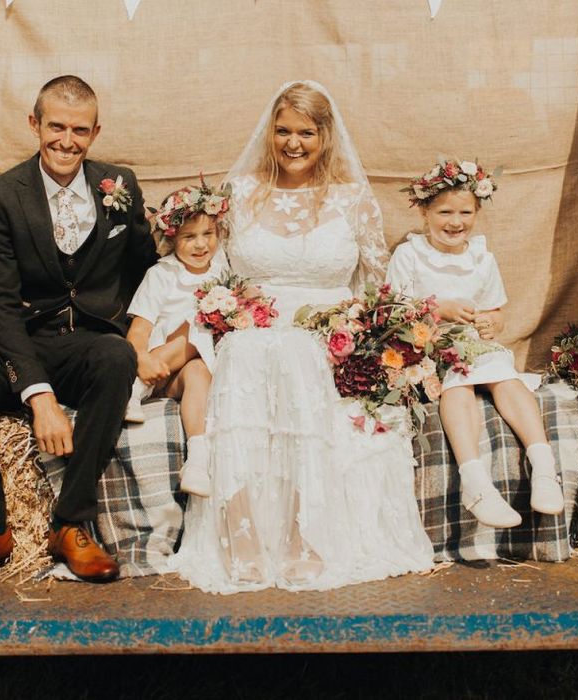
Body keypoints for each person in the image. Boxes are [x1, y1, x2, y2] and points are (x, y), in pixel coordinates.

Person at [169, 80, 434, 593]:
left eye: (306, 132)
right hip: (251, 328)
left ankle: (299, 533)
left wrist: (364, 340)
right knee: (251, 352)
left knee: (293, 353)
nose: (293, 143)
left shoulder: (351, 198)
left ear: (325, 136)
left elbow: (375, 283)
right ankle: (241, 534)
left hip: (327, 332)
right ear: (270, 133)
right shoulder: (241, 194)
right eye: (283, 131)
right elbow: (213, 272)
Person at [0, 75, 157, 592]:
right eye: (56, 127)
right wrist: (38, 394)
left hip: (89, 347)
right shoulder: (1, 195)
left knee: (116, 356)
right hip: (20, 344)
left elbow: (147, 269)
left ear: (95, 133)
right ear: (35, 124)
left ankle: (71, 524)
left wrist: (157, 330)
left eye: (79, 130)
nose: (66, 141)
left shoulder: (120, 185)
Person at [386, 158, 565, 528]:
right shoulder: (410, 255)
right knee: (459, 385)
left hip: (473, 345)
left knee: (506, 377)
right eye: (444, 211)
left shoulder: (481, 258)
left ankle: (544, 466)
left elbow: (495, 312)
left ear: (477, 212)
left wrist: (489, 323)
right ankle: (476, 482)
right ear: (424, 211)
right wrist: (437, 309)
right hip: (426, 345)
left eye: (465, 212)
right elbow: (394, 312)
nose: (456, 221)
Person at [125, 178, 230, 497]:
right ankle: (131, 393)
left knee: (198, 368)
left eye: (207, 234)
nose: (201, 245)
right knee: (194, 324)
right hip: (152, 371)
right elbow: (138, 331)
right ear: (172, 238)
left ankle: (198, 459)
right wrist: (140, 365)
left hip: (188, 374)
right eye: (189, 237)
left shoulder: (223, 271)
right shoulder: (162, 274)